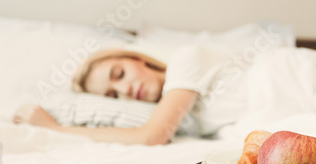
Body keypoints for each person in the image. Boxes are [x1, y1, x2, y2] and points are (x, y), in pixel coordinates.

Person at [13, 44, 254, 146]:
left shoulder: (186, 58)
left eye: (119, 74)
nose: (124, 90)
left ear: (135, 58)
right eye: (113, 96)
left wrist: (55, 129)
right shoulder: (184, 116)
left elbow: (151, 136)